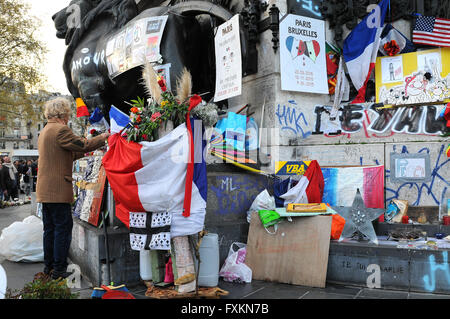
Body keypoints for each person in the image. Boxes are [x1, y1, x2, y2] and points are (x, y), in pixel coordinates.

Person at [37, 97, 110, 280]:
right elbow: (82, 144)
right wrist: (103, 138)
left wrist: (88, 151)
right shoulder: (60, 129)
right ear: (62, 114)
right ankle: (60, 270)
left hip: (45, 190)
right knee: (62, 228)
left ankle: (50, 267)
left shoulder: (46, 130)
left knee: (50, 230)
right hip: (57, 190)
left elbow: (69, 152)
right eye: (68, 114)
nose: (69, 118)